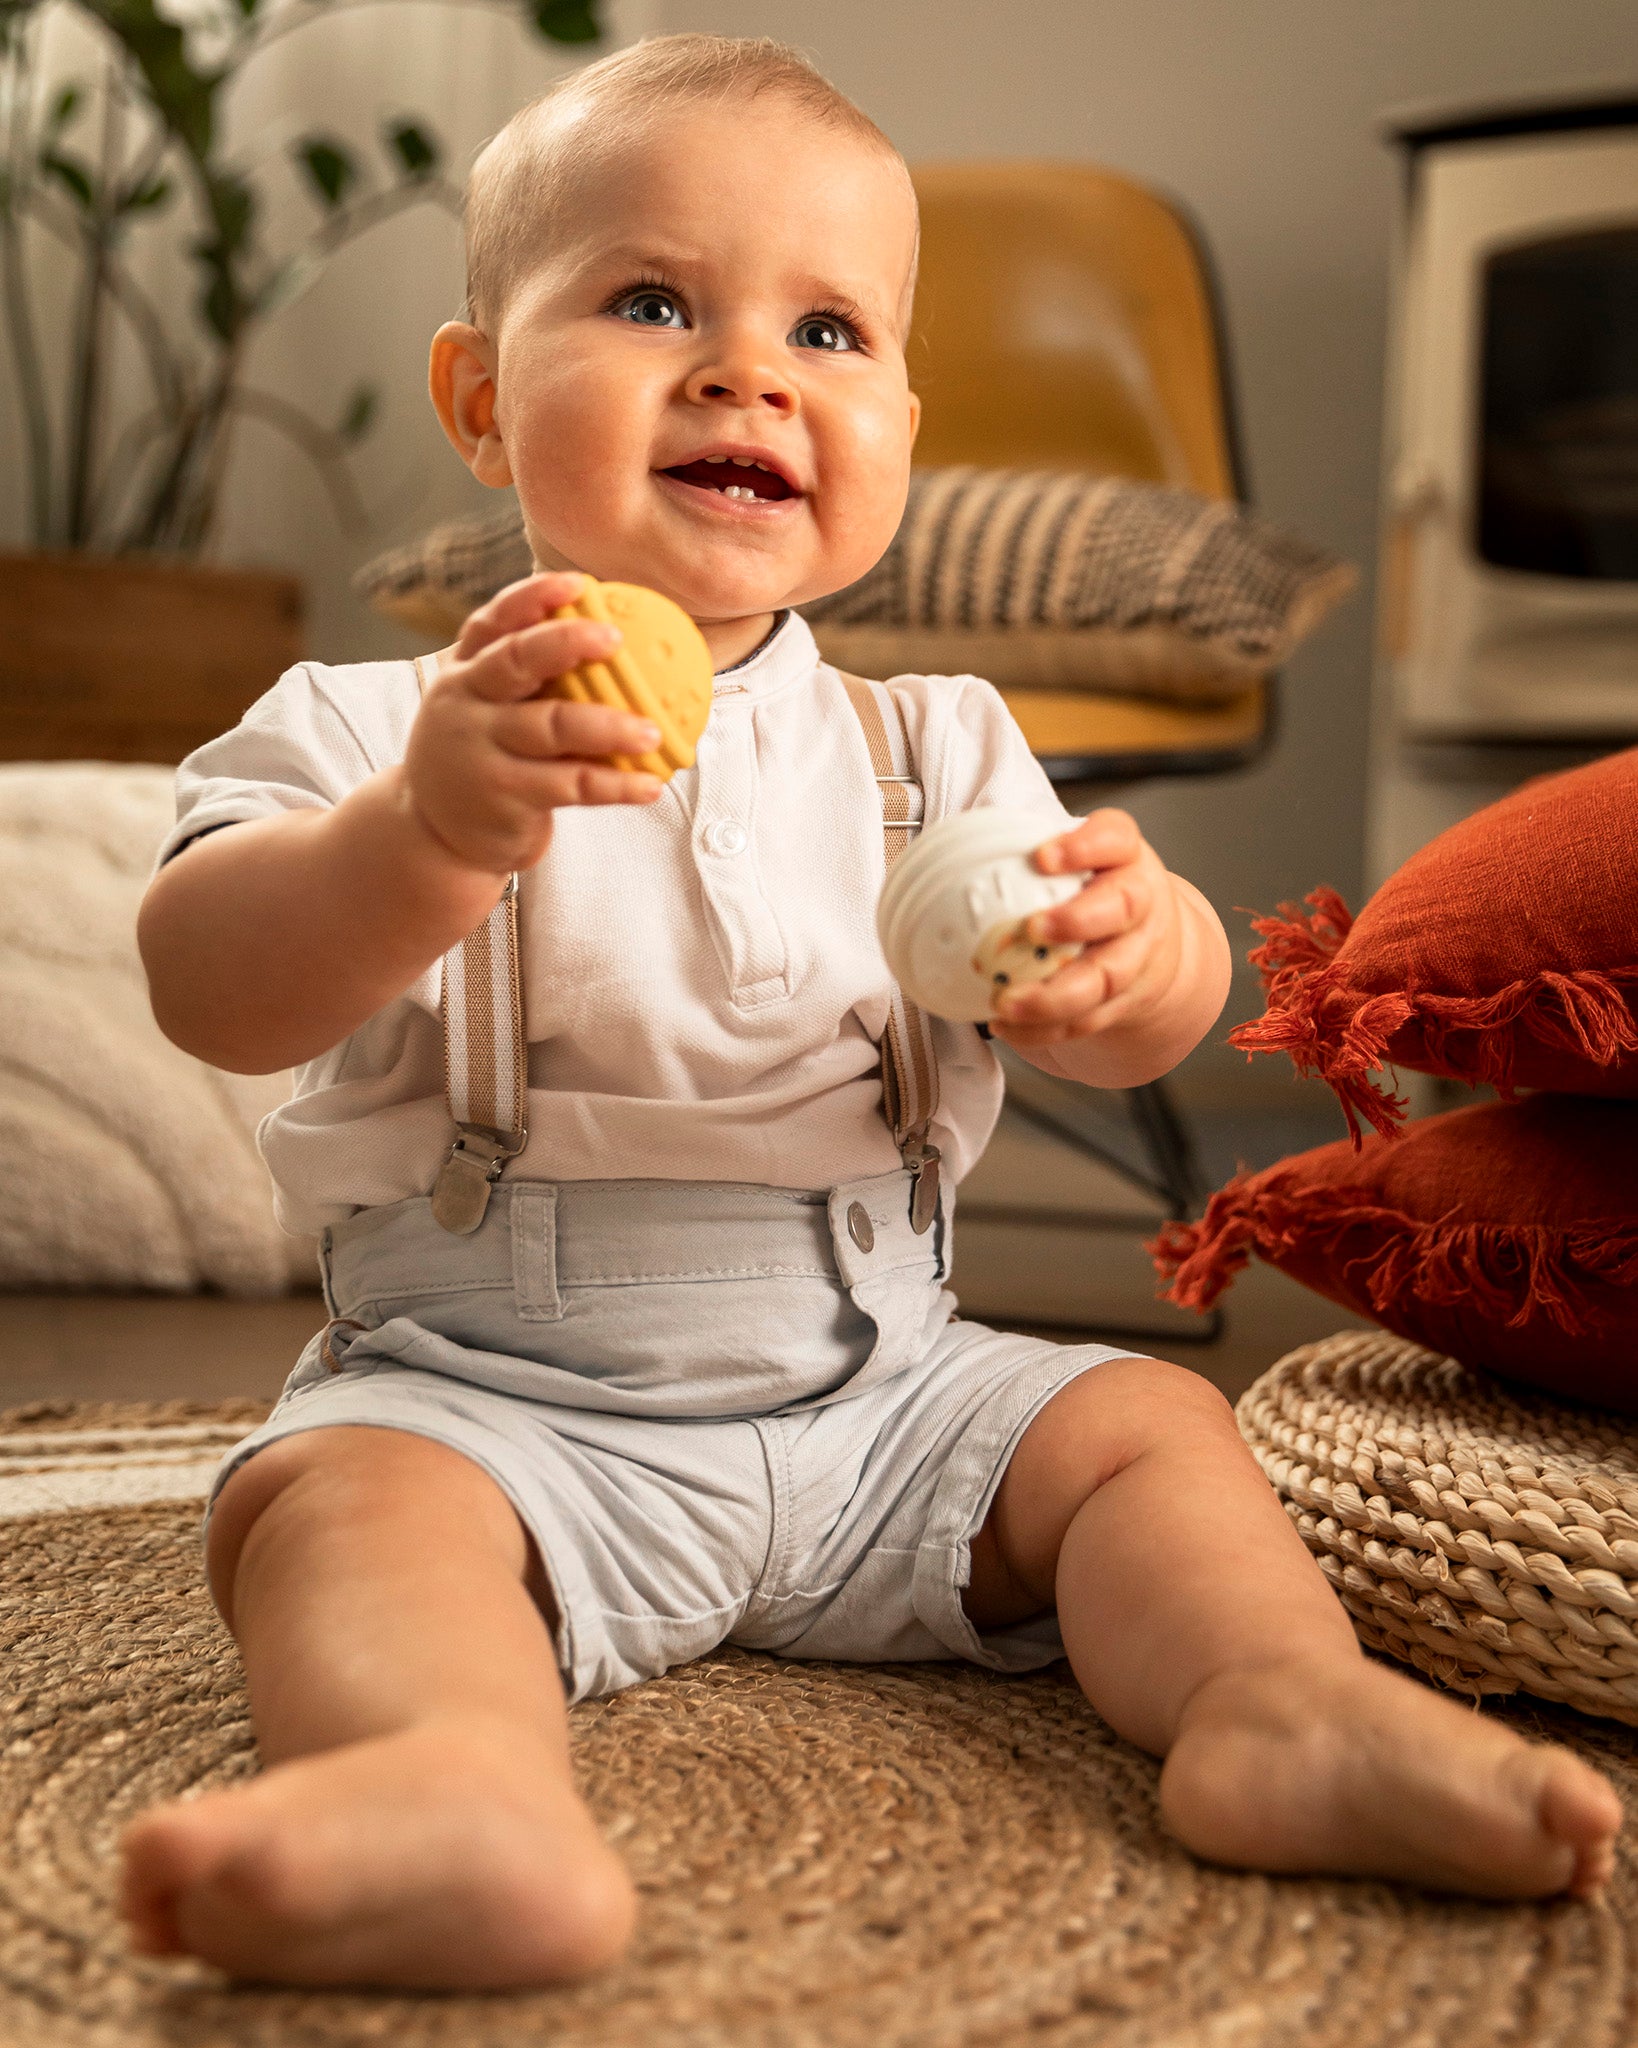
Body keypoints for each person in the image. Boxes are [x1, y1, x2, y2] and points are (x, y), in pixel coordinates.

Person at [122, 32, 1621, 1993]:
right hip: (500, 1412)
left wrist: (1140, 951)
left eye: (829, 330)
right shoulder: (369, 727)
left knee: (1140, 1426)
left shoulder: (933, 749)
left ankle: (1272, 1704)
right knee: (333, 1510)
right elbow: (206, 984)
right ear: (483, 400)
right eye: (651, 300)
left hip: (889, 1407)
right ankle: (447, 1785)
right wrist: (422, 832)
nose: (747, 370)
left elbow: (1128, 1028)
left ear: (902, 427)